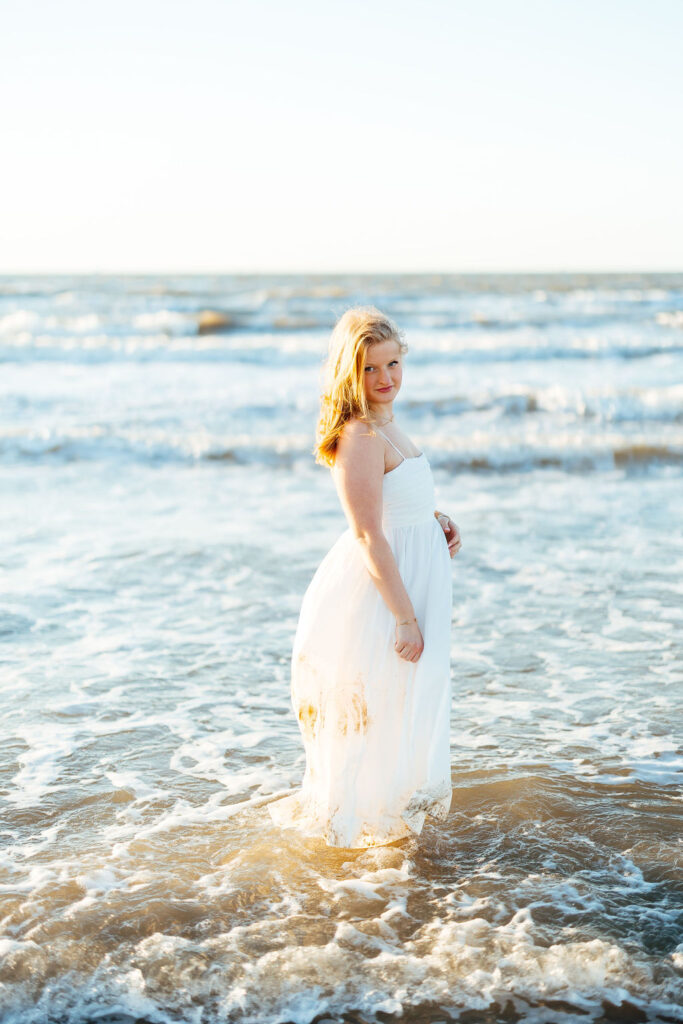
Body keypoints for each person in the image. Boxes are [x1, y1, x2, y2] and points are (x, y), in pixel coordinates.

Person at [268, 306, 462, 848]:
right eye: (371, 370)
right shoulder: (358, 435)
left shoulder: (390, 425)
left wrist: (436, 520)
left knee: (400, 704)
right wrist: (404, 617)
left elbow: (400, 503)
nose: (386, 379)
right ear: (349, 374)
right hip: (380, 594)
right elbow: (367, 534)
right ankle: (354, 839)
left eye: (393, 364)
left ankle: (388, 826)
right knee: (373, 705)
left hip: (410, 577)